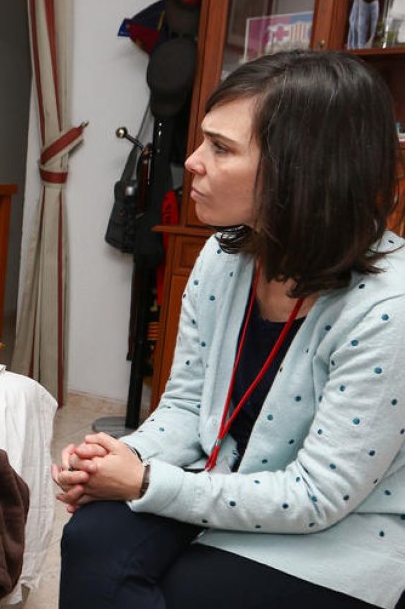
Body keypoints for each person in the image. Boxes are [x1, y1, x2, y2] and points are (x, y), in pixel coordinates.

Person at [53, 50, 405, 609]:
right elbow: (189, 407)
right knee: (92, 537)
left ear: (302, 169)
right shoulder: (225, 256)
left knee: (189, 591)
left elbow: (317, 496)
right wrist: (116, 459)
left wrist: (146, 484)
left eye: (220, 148)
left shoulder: (389, 308)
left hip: (339, 529)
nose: (191, 161)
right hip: (224, 476)